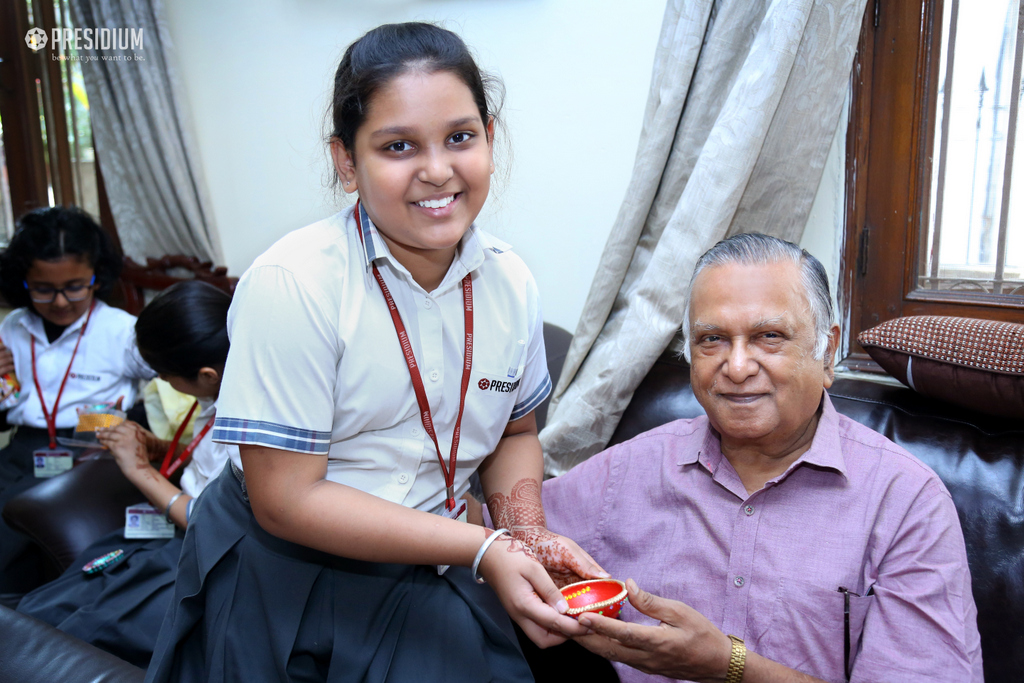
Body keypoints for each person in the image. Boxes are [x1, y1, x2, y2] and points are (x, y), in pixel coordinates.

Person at [146, 22, 602, 683]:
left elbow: (517, 431)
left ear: (490, 139)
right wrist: (485, 546)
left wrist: (524, 527)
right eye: (398, 145)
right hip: (289, 572)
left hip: (441, 557)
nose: (438, 169)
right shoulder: (294, 282)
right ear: (345, 161)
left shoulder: (511, 282)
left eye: (460, 136)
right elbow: (287, 499)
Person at [540, 234, 982, 682]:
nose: (736, 367)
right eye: (712, 339)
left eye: (768, 336)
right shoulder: (629, 470)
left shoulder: (906, 501)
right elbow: (509, 534)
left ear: (827, 352)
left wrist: (730, 666)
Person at [16, 280, 235, 667]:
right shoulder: (218, 391)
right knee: (43, 606)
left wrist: (138, 471)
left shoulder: (248, 427)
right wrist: (161, 450)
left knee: (77, 632)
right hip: (171, 536)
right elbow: (213, 471)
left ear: (206, 375)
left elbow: (216, 522)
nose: (162, 382)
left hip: (204, 553)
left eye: (166, 375)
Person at [0, 206, 155, 599]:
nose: (60, 302)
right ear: (23, 282)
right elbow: (9, 402)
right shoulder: (15, 326)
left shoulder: (121, 331)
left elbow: (172, 382)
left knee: (15, 525)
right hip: (25, 446)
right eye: (43, 289)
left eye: (74, 286)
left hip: (92, 450)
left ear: (96, 276)